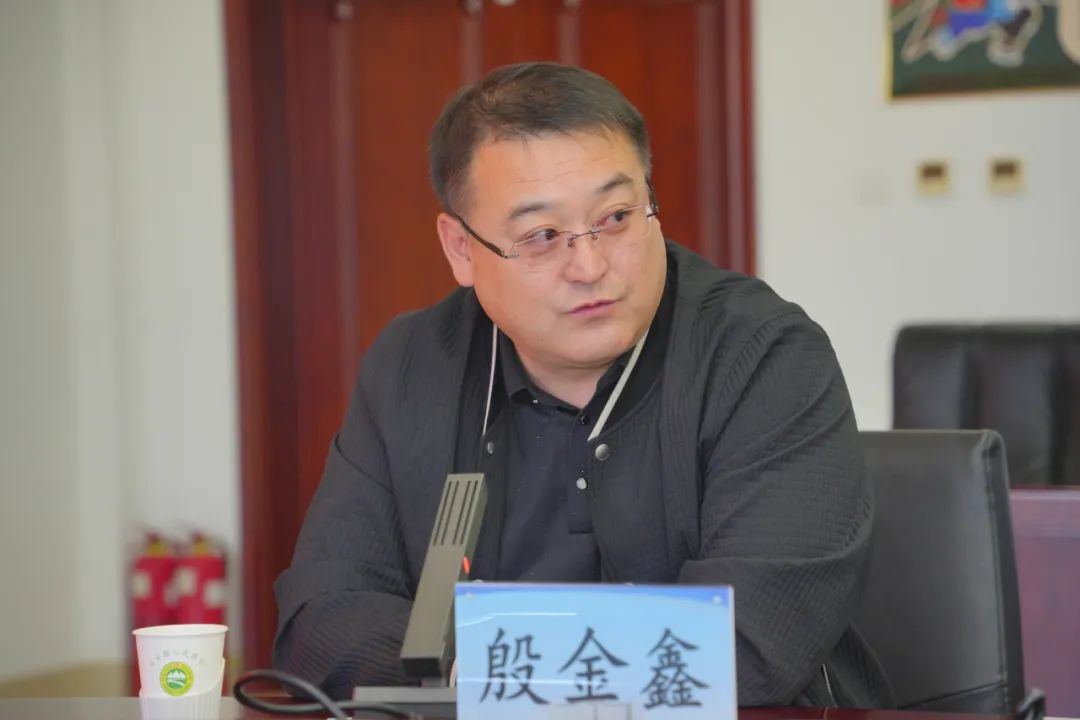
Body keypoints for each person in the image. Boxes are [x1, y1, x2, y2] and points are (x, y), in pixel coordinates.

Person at [272, 62, 892, 708]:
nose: (591, 265)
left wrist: (488, 671)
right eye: (542, 236)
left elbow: (751, 641)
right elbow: (320, 623)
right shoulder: (413, 367)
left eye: (616, 216)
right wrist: (480, 672)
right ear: (460, 248)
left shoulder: (762, 356)